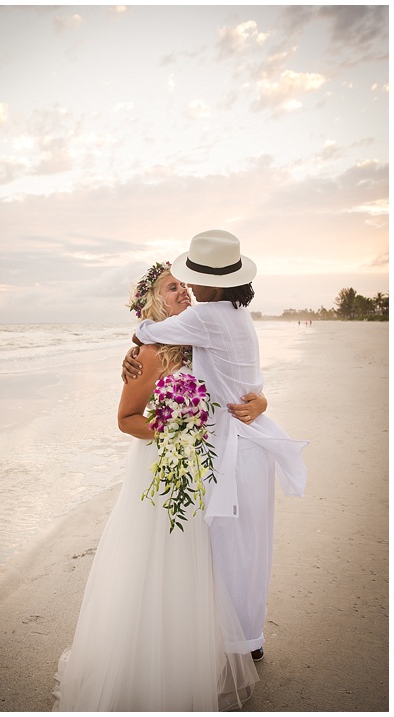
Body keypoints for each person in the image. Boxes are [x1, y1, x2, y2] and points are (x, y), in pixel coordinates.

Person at [53, 263, 261, 711]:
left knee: (197, 566)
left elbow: (234, 383)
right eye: (172, 287)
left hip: (200, 471)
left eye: (184, 285)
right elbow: (126, 419)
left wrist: (259, 400)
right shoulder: (149, 354)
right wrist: (175, 433)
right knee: (155, 562)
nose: (183, 291)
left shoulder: (199, 340)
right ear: (154, 301)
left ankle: (192, 656)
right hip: (161, 472)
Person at [129, 229, 308, 663]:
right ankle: (249, 638)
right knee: (250, 550)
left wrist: (138, 342)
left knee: (231, 551)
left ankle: (239, 643)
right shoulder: (238, 316)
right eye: (179, 283)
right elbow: (241, 380)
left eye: (193, 279)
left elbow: (148, 328)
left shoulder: (207, 317)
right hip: (252, 444)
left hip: (235, 451)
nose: (189, 287)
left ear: (215, 283)